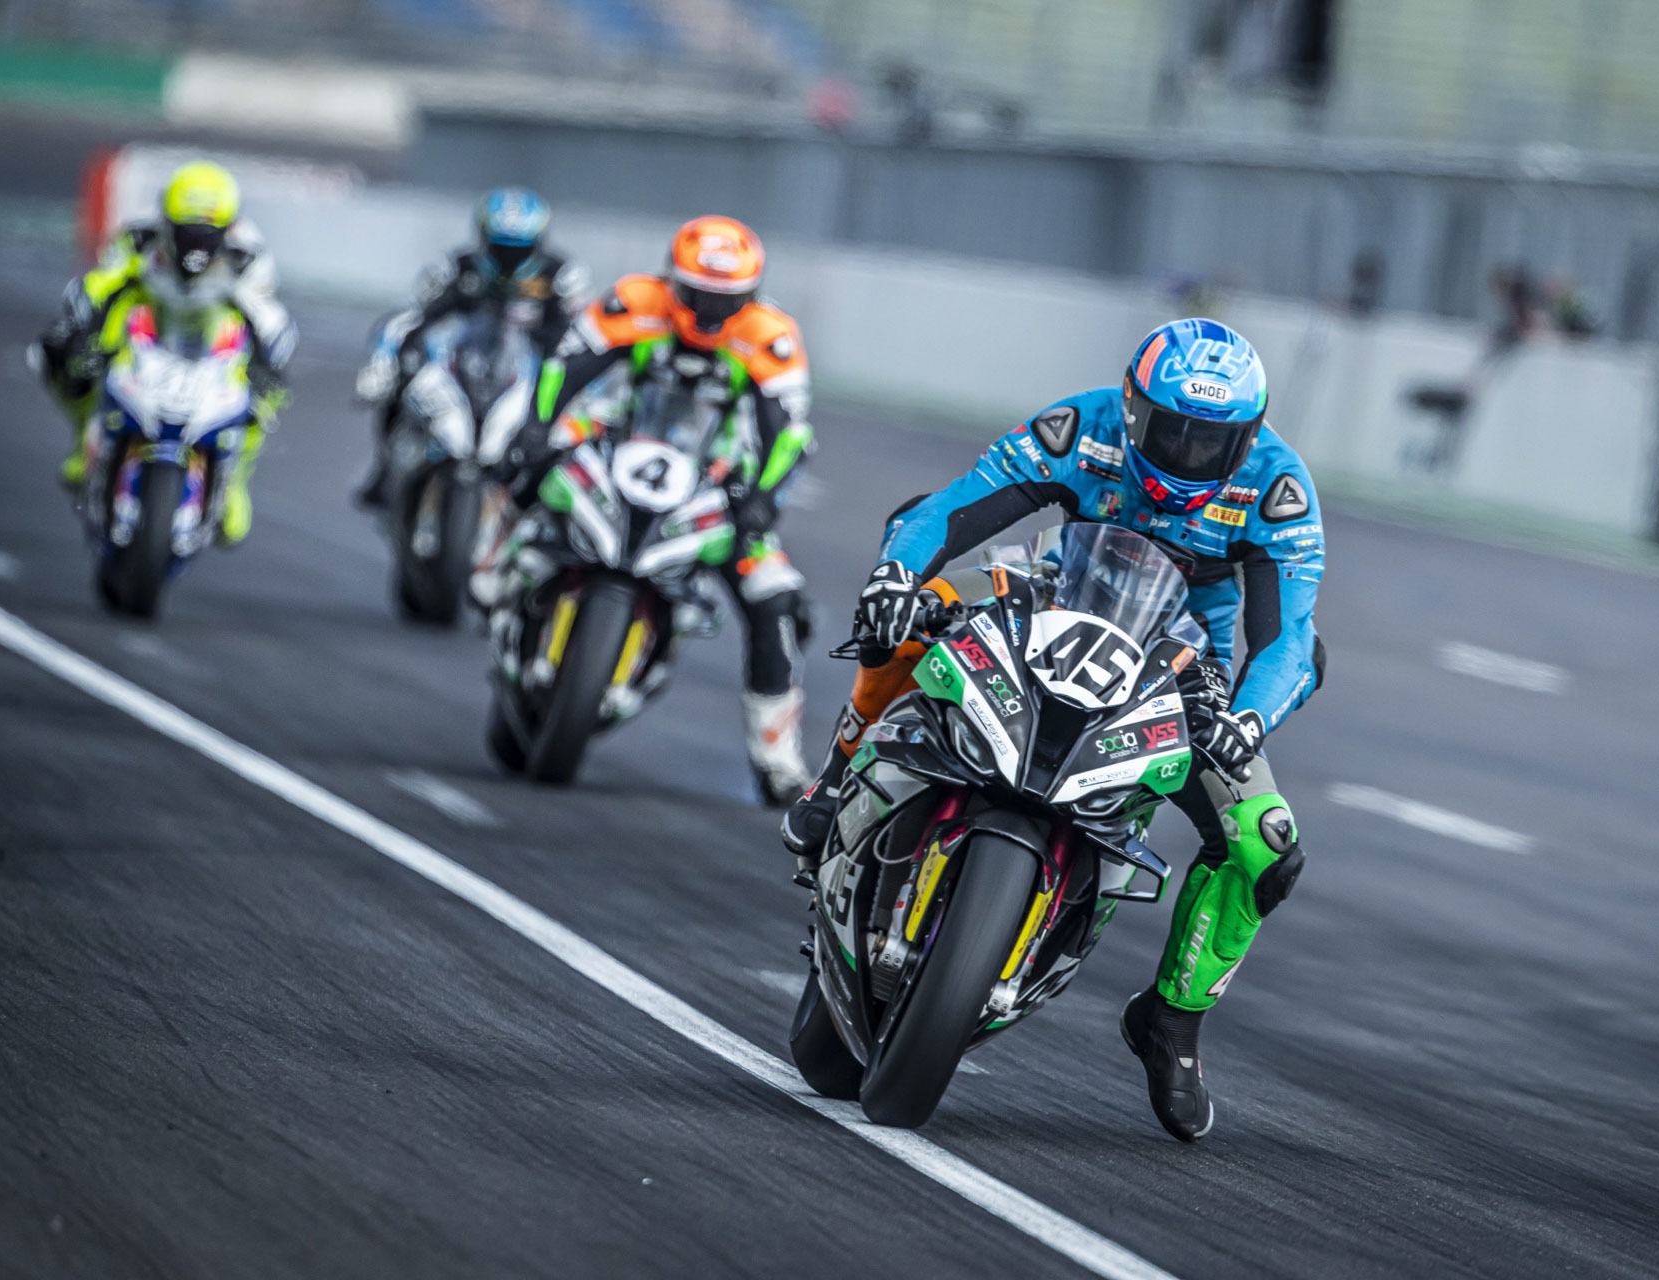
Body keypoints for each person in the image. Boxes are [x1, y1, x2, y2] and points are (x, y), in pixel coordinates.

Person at [783, 318, 1326, 1142]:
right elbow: (954, 507)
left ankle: (1172, 1022)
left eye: (1212, 441)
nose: (1188, 455)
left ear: (1248, 436)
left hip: (1189, 666)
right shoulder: (1082, 426)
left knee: (1267, 845)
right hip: (1043, 592)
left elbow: (1288, 639)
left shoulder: (1278, 486)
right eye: (1172, 431)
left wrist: (1246, 719)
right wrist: (896, 574)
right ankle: (834, 781)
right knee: (906, 615)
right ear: (1134, 410)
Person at [489, 215, 815, 805]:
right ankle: (495, 560)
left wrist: (763, 500)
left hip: (718, 483)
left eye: (728, 300)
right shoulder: (632, 301)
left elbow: (788, 434)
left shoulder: (772, 338)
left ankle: (778, 761)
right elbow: (564, 367)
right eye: (699, 296)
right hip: (611, 444)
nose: (711, 314)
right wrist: (538, 428)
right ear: (673, 280)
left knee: (776, 600)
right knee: (523, 466)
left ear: (751, 295)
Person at [38, 160, 294, 543]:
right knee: (63, 358)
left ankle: (234, 481)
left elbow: (265, 313)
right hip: (149, 323)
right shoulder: (139, 235)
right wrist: (83, 331)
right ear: (166, 221)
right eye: (185, 232)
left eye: (208, 235)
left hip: (211, 334)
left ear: (229, 227)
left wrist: (267, 363)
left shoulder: (249, 253)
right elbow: (104, 283)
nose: (196, 246)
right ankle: (85, 440)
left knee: (264, 398)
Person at [354, 187, 586, 507]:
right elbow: (413, 317)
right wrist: (386, 362)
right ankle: (385, 463)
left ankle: (530, 499)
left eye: (519, 249)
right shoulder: (456, 267)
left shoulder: (561, 277)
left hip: (529, 368)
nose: (508, 260)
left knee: (557, 428)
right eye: (501, 248)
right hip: (464, 355)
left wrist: (579, 385)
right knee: (399, 382)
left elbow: (579, 336)